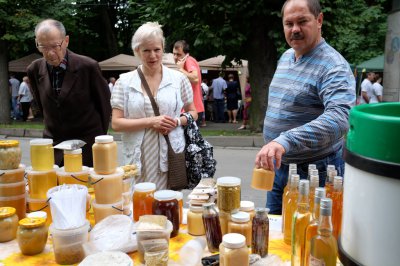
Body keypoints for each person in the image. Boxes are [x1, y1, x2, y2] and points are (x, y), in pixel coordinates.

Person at [255, 0, 356, 214]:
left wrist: (284, 141)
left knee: (306, 239)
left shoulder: (334, 66)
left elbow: (340, 119)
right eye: (289, 23)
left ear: (319, 20)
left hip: (315, 171)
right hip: (279, 166)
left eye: (302, 21)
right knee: (272, 235)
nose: (295, 30)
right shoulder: (285, 57)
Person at [110, 22, 197, 190]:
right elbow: (116, 124)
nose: (153, 56)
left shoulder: (179, 79)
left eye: (157, 50)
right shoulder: (125, 82)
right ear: (137, 51)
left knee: (166, 206)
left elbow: (193, 112)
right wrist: (152, 121)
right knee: (140, 205)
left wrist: (177, 122)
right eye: (146, 50)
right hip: (138, 157)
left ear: (163, 49)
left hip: (170, 155)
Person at [27, 19, 111, 167]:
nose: (50, 53)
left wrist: (97, 139)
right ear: (36, 43)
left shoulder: (88, 66)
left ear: (66, 41)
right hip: (54, 144)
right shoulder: (34, 69)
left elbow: (104, 106)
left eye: (55, 46)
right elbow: (42, 105)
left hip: (86, 144)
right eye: (43, 47)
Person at [173, 40, 204, 125]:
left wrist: (181, 69)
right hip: (190, 108)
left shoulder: (188, 60)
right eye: (174, 54)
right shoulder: (186, 62)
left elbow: (195, 78)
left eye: (179, 54)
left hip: (192, 109)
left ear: (186, 54)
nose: (175, 57)